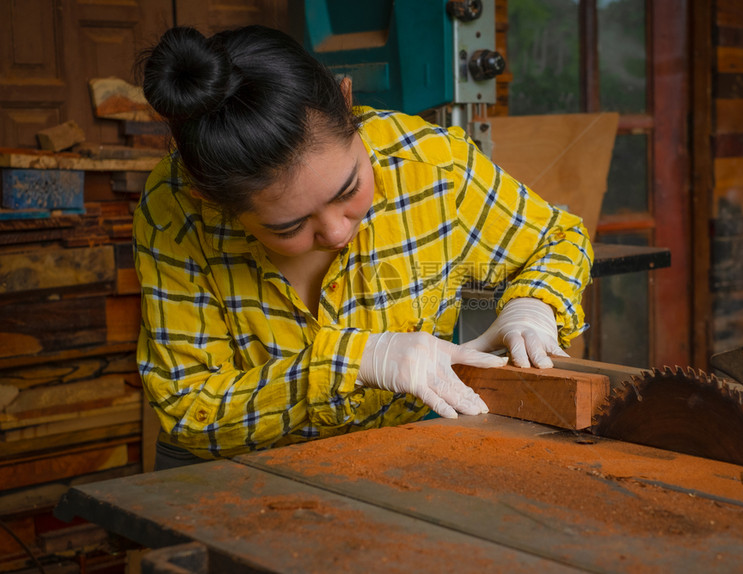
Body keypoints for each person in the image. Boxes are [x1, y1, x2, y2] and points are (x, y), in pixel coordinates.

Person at [134, 25, 593, 469]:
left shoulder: (430, 163)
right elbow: (189, 408)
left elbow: (559, 237)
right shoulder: (176, 207)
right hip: (233, 471)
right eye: (290, 225)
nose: (335, 233)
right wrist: (353, 362)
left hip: (392, 458)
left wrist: (535, 303)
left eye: (348, 189)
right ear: (209, 199)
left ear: (348, 101)